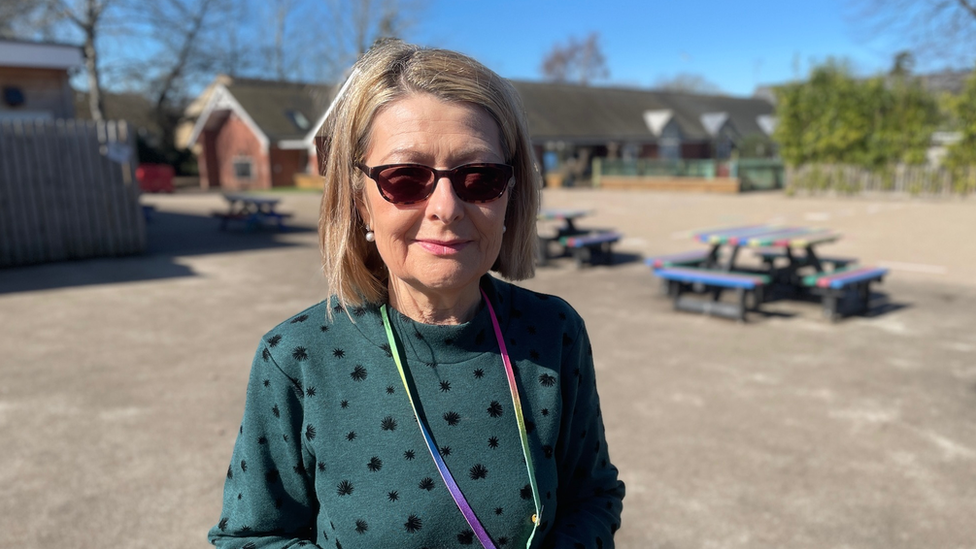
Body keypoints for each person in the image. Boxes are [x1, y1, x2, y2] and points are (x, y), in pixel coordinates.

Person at [209, 39, 625, 549]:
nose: (446, 208)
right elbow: (252, 537)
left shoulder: (554, 332)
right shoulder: (296, 358)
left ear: (510, 193)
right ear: (359, 200)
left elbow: (593, 496)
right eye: (406, 179)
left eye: (480, 177)